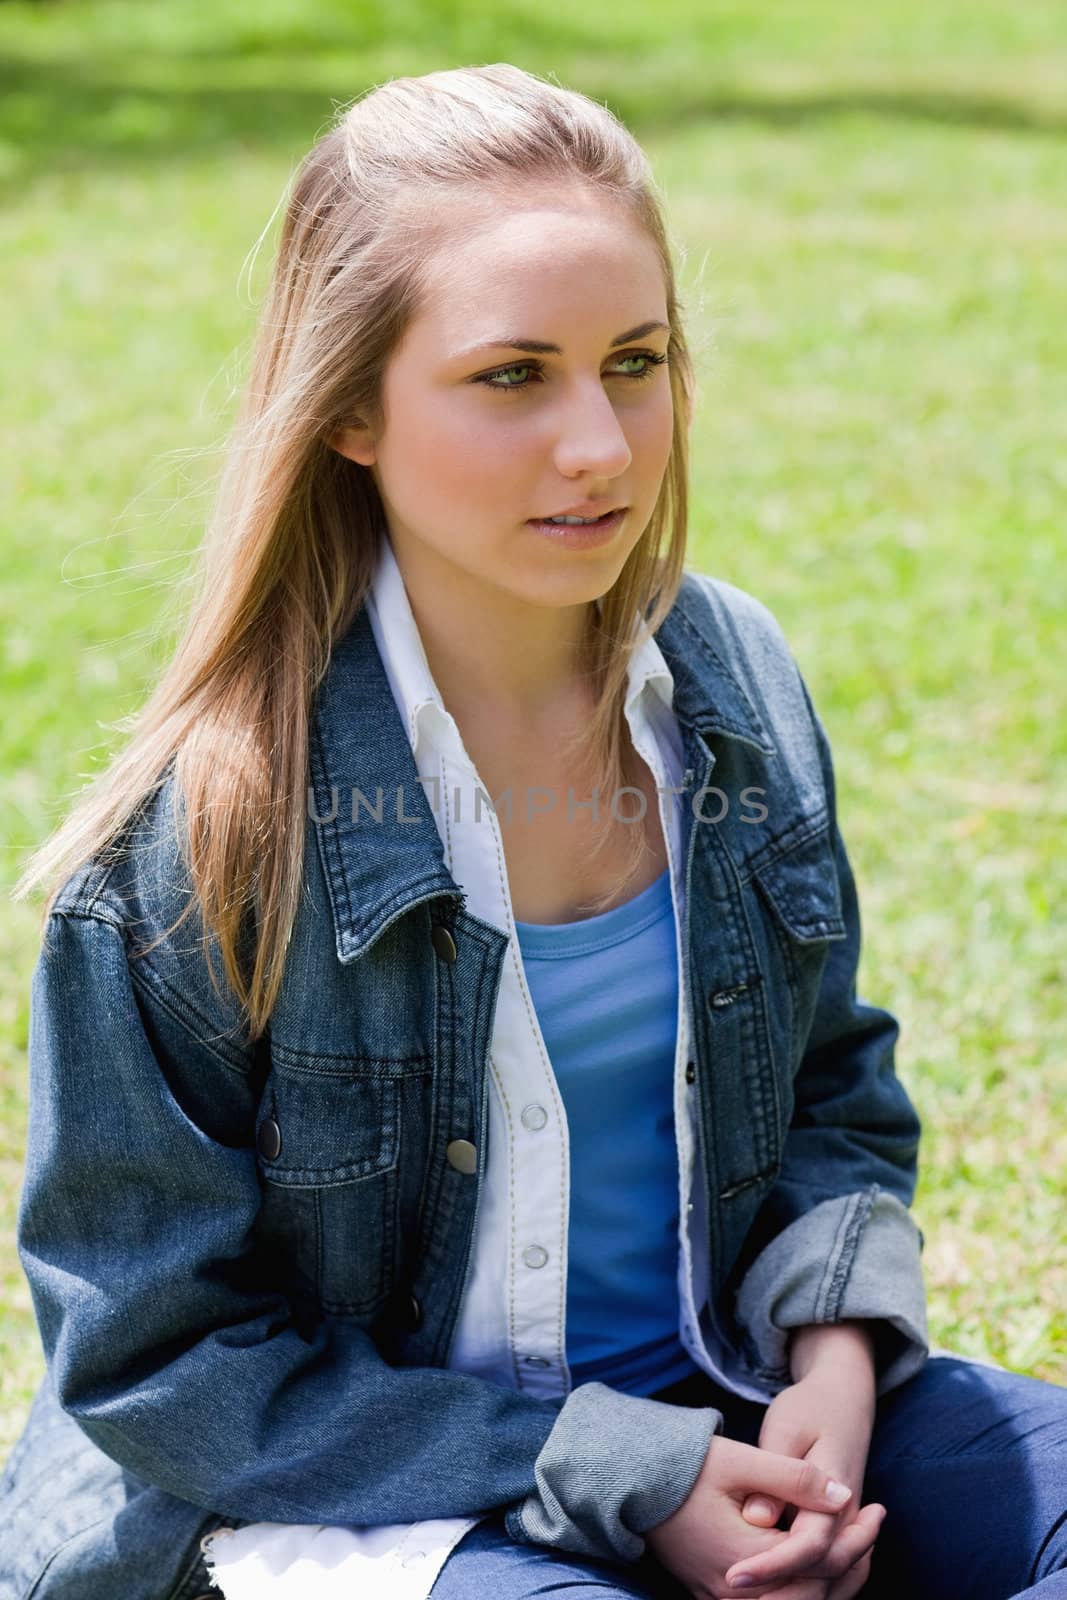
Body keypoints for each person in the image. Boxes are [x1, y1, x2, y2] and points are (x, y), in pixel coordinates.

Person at [1, 61, 1063, 1600]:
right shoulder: (193, 847)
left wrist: (834, 1358)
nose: (603, 448)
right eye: (515, 375)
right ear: (350, 408)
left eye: (635, 361)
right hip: (379, 1498)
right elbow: (164, 1367)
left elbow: (831, 1080)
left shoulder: (733, 688)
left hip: (730, 1406)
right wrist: (629, 1474)